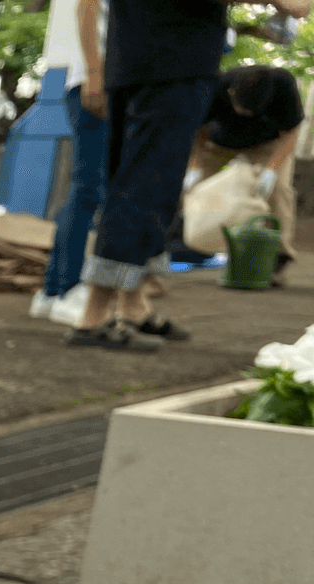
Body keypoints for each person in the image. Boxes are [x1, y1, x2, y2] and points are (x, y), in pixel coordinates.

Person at [66, 0, 309, 350]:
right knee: (143, 190)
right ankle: (93, 317)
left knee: (139, 185)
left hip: (132, 61)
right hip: (173, 66)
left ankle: (133, 307)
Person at [33, 0, 110, 324]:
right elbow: (87, 6)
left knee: (88, 185)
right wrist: (94, 73)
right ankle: (68, 287)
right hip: (95, 77)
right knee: (90, 186)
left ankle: (53, 290)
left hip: (93, 75)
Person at [190, 64, 304, 277]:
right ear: (231, 93)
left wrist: (272, 170)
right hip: (219, 145)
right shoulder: (216, 85)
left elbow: (291, 131)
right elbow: (198, 130)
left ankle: (278, 256)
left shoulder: (283, 85)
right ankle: (190, 244)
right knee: (192, 188)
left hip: (267, 145)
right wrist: (194, 167)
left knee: (279, 191)